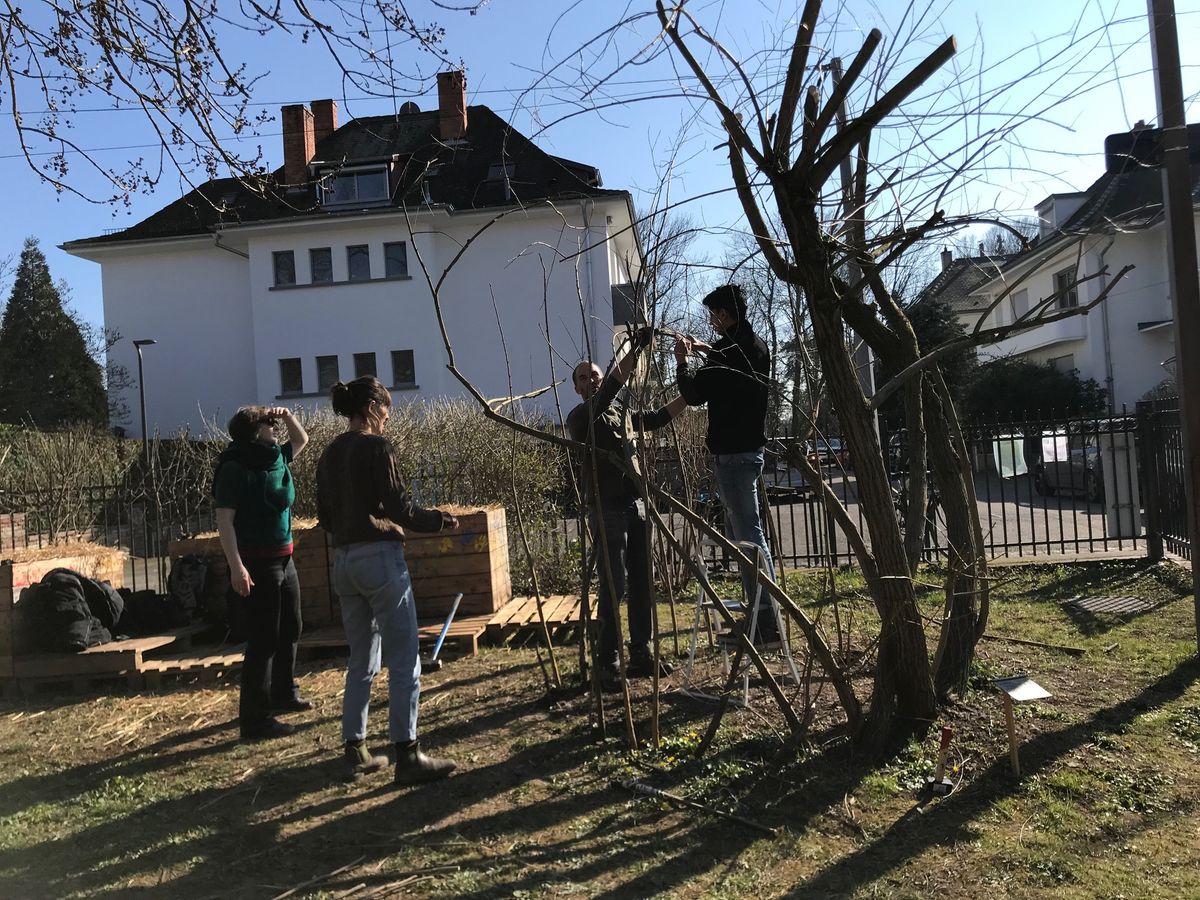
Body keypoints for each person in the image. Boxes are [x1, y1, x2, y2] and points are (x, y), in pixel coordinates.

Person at [316, 375, 460, 785]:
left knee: (361, 659)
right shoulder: (376, 447)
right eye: (386, 408)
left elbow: (325, 518)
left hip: (343, 562)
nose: (388, 416)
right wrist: (438, 521)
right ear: (370, 409)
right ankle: (408, 755)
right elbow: (399, 506)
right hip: (379, 559)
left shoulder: (328, 455)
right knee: (404, 659)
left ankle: (356, 748)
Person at [566, 327, 686, 690]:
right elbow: (609, 395)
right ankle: (607, 659)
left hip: (635, 505)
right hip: (605, 507)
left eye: (596, 376)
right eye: (584, 378)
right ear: (577, 387)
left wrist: (692, 395)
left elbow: (657, 418)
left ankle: (641, 653)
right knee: (614, 584)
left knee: (642, 583)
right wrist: (635, 349)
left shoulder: (622, 413)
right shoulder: (580, 417)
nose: (591, 381)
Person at [674, 284, 779, 643]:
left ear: (723, 313)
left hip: (732, 454)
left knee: (748, 539)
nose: (711, 322)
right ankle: (765, 615)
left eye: (713, 314)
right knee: (750, 535)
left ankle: (765, 622)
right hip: (750, 449)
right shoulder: (756, 347)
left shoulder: (725, 352)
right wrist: (708, 351)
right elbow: (729, 378)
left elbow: (693, 393)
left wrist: (683, 361)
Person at [214, 405, 310, 741]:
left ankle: (284, 692)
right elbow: (224, 521)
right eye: (270, 425)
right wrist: (236, 566)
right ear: (255, 432)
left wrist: (286, 416)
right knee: (264, 639)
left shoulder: (276, 456)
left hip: (285, 556)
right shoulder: (235, 466)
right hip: (256, 561)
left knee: (292, 626)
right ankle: (255, 721)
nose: (277, 429)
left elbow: (303, 438)